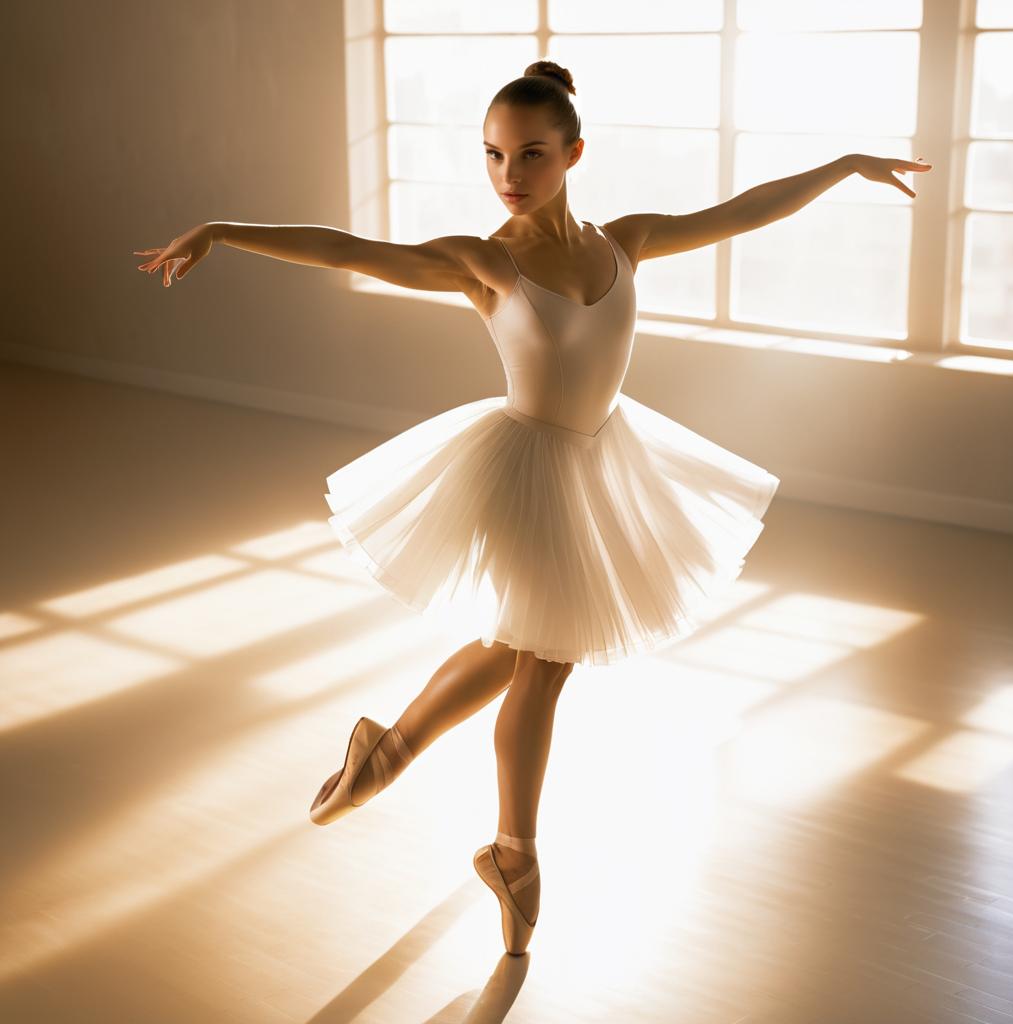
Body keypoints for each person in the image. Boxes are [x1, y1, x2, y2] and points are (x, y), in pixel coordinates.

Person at [135, 60, 931, 956]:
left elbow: (741, 211)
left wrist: (843, 167)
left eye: (530, 155)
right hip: (523, 472)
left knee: (520, 643)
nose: (508, 176)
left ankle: (387, 751)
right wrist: (222, 231)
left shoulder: (623, 242)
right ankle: (513, 852)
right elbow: (346, 247)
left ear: (573, 154)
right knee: (547, 659)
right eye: (492, 156)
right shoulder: (486, 262)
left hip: (601, 465)